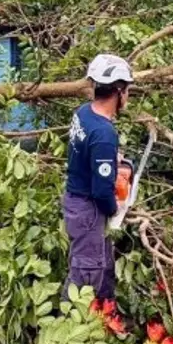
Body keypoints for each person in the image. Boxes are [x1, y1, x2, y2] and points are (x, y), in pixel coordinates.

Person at [62, 53, 133, 301]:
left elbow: (82, 151)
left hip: (75, 199)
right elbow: (103, 191)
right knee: (85, 274)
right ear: (119, 90)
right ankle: (66, 330)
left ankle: (106, 315)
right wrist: (116, 209)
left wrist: (109, 157)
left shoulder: (84, 113)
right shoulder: (104, 133)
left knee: (101, 264)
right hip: (88, 209)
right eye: (127, 90)